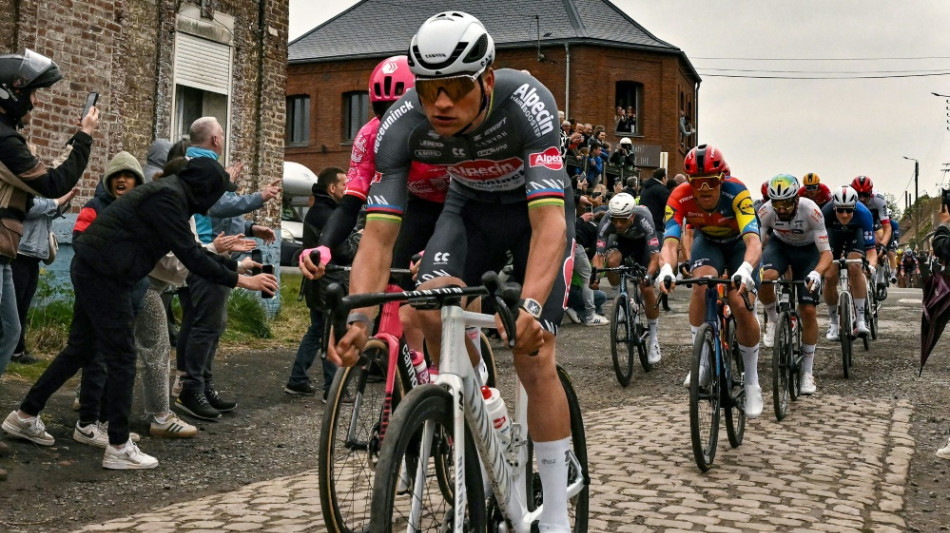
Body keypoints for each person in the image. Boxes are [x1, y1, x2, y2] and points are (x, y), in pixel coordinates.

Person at [303, 12, 578, 531]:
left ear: (487, 81)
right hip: (468, 212)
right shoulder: (402, 124)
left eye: (455, 88)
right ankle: (482, 404)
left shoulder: (528, 103)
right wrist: (360, 321)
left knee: (533, 354)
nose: (442, 104)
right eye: (430, 91)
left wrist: (534, 305)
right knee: (421, 312)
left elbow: (548, 229)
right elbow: (379, 236)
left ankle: (559, 513)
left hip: (533, 214)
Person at [2, 156, 278, 470]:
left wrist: (234, 266)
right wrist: (242, 279)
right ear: (205, 188)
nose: (218, 199)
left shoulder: (171, 195)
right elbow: (190, 256)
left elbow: (191, 250)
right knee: (122, 357)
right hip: (105, 274)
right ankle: (118, 446)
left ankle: (24, 415)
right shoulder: (168, 199)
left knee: (81, 348)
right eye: (218, 191)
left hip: (97, 268)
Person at [0, 49, 99, 377]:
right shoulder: (4, 139)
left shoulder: (8, 138)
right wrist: (84, 138)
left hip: (4, 251)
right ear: (11, 93)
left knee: (10, 332)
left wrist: (76, 140)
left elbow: (32, 192)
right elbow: (52, 182)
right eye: (31, 94)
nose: (34, 103)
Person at [174, 117, 279, 422]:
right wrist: (258, 197)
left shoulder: (195, 163)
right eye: (221, 135)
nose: (223, 140)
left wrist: (250, 226)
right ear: (216, 140)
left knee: (208, 324)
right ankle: (192, 389)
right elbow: (217, 207)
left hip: (209, 251)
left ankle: (202, 385)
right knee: (205, 325)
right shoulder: (204, 167)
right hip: (207, 253)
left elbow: (221, 209)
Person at [656, 144, 764, 418]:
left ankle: (752, 382)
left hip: (739, 245)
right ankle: (702, 361)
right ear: (689, 182)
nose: (704, 190)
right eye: (697, 183)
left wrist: (746, 269)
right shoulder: (678, 197)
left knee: (739, 303)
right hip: (709, 243)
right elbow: (669, 242)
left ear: (722, 179)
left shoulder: (736, 192)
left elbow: (754, 241)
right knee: (700, 286)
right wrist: (666, 269)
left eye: (710, 182)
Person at [756, 174, 832, 394]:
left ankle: (807, 372)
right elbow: (756, 247)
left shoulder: (811, 211)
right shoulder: (765, 211)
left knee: (808, 310)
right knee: (765, 276)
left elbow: (826, 253)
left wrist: (817, 273)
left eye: (786, 203)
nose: (781, 209)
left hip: (808, 252)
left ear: (796, 199)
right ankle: (771, 319)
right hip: (780, 247)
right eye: (776, 203)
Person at [285, 166, 349, 397]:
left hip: (318, 282)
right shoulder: (328, 214)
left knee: (317, 330)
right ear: (332, 188)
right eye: (344, 184)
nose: (348, 188)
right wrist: (359, 242)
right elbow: (341, 249)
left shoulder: (320, 210)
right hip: (326, 282)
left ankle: (297, 379)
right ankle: (332, 389)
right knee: (329, 332)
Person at [591, 193, 663, 362]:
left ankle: (653, 339)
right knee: (612, 260)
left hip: (643, 245)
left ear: (633, 215)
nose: (618, 223)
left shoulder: (644, 218)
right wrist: (596, 276)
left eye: (623, 220)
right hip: (622, 243)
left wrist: (648, 276)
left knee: (646, 287)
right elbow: (599, 256)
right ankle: (622, 301)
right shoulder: (607, 221)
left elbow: (655, 258)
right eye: (615, 219)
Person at [11, 186, 78, 364]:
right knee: (13, 305)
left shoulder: (45, 198)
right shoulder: (26, 191)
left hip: (34, 256)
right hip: (19, 253)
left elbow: (50, 214)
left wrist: (65, 201)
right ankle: (11, 349)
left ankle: (18, 350)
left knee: (24, 305)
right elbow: (30, 208)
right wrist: (57, 201)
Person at [821, 186, 877, 340]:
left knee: (855, 266)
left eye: (848, 210)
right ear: (834, 207)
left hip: (855, 234)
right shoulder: (825, 214)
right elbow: (819, 247)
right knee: (830, 274)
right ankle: (833, 323)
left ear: (854, 207)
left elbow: (871, 250)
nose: (844, 215)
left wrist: (871, 265)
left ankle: (860, 320)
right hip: (834, 235)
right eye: (840, 210)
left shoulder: (864, 214)